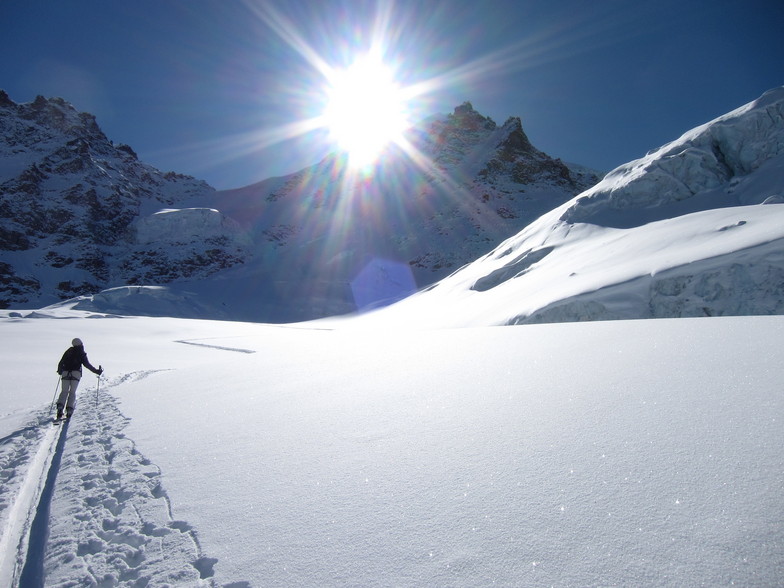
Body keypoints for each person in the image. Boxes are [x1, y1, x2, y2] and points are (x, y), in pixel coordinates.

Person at [56, 338, 102, 420]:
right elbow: (87, 364)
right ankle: (69, 410)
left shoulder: (68, 351)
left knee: (64, 391)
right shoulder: (81, 353)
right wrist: (96, 371)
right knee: (72, 391)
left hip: (65, 372)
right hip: (76, 373)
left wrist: (60, 371)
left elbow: (61, 362)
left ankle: (60, 408)